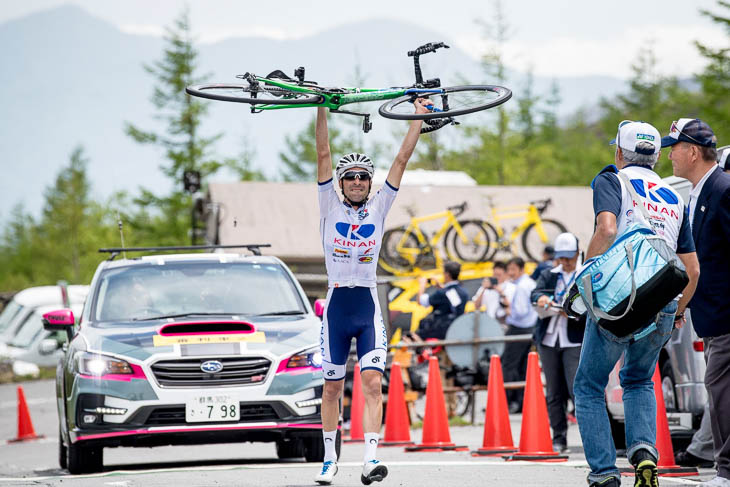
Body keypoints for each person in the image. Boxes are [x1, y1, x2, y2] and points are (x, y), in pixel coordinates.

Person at [573, 120, 699, 487]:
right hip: (663, 301)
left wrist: (583, 282)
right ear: (657, 157)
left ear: (618, 152)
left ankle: (604, 475)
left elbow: (607, 229)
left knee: (589, 386)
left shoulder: (612, 179)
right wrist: (677, 311)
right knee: (640, 379)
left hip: (620, 297)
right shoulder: (676, 196)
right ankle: (644, 455)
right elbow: (692, 268)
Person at [314, 99, 430, 485]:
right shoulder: (329, 204)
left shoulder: (379, 207)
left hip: (366, 305)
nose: (359, 181)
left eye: (364, 176)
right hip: (335, 308)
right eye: (352, 177)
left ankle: (369, 459)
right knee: (332, 388)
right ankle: (330, 459)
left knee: (373, 383)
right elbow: (324, 153)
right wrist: (321, 108)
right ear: (342, 183)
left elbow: (400, 160)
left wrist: (418, 115)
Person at [664, 118, 730, 487]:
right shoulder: (701, 191)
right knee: (719, 393)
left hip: (725, 316)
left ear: (692, 151)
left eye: (674, 147)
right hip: (712, 316)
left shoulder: (722, 188)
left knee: (721, 395)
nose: (669, 155)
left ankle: (726, 470)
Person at [531, 232, 585, 454]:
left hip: (574, 338)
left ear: (577, 254)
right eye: (560, 257)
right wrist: (540, 300)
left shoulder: (584, 273)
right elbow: (534, 294)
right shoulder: (549, 274)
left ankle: (591, 437)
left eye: (568, 257)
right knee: (554, 391)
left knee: (577, 389)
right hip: (549, 337)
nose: (564, 262)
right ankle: (559, 437)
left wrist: (574, 313)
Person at [500, 257, 538, 414]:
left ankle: (508, 401)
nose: (510, 273)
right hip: (531, 329)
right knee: (523, 367)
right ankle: (522, 402)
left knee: (509, 365)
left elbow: (520, 312)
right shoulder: (530, 283)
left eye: (513, 269)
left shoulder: (521, 287)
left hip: (518, 328)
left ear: (521, 269)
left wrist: (509, 309)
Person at [413, 261, 470, 341]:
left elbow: (420, 301)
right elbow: (453, 299)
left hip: (440, 331)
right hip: (456, 329)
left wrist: (422, 284)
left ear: (447, 274)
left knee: (410, 336)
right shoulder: (463, 292)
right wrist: (443, 287)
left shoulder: (442, 293)